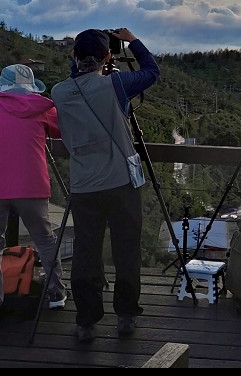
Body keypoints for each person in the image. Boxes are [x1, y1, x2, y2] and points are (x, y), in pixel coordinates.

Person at [50, 28, 160, 343]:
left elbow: (78, 78)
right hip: (122, 183)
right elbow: (152, 71)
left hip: (84, 187)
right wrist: (134, 41)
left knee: (86, 252)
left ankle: (86, 321)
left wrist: (88, 62)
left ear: (74, 58)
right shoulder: (115, 84)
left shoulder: (58, 92)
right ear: (108, 57)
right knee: (127, 249)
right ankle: (125, 316)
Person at [0, 63, 66, 327]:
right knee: (45, 239)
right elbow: (59, 132)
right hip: (31, 184)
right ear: (31, 85)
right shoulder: (44, 108)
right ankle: (56, 293)